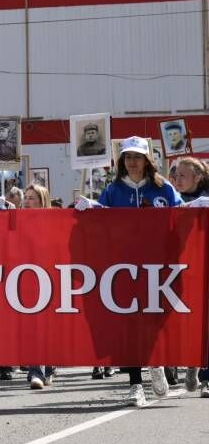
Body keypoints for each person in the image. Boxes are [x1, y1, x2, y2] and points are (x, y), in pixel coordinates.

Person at [77, 136, 180, 406]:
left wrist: (197, 208)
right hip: (123, 267)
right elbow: (101, 220)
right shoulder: (113, 190)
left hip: (158, 266)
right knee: (129, 323)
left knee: (155, 319)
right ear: (122, 161)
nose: (133, 162)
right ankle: (135, 383)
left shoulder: (163, 188)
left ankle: (155, 360)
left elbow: (180, 216)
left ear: (148, 159)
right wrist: (91, 209)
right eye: (128, 157)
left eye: (137, 156)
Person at [171, 156, 209, 396]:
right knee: (183, 322)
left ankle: (206, 376)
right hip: (179, 269)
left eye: (183, 175)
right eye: (175, 176)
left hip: (205, 267)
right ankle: (189, 362)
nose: (177, 180)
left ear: (197, 177)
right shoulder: (170, 197)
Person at [17, 184, 57, 390]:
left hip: (49, 279)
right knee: (32, 327)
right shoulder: (17, 222)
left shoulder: (55, 223)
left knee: (47, 327)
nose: (27, 201)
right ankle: (35, 371)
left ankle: (48, 367)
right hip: (25, 279)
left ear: (43, 201)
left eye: (32, 197)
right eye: (26, 197)